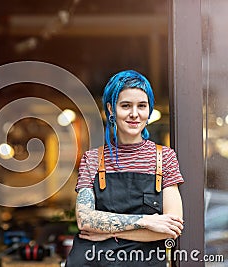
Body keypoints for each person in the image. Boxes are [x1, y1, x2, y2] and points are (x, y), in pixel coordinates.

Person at [66, 70, 184, 266]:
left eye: (142, 106)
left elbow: (171, 227)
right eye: (126, 105)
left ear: (149, 109)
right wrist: (146, 221)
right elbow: (85, 220)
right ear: (111, 109)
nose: (134, 114)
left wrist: (110, 230)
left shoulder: (164, 158)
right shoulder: (92, 159)